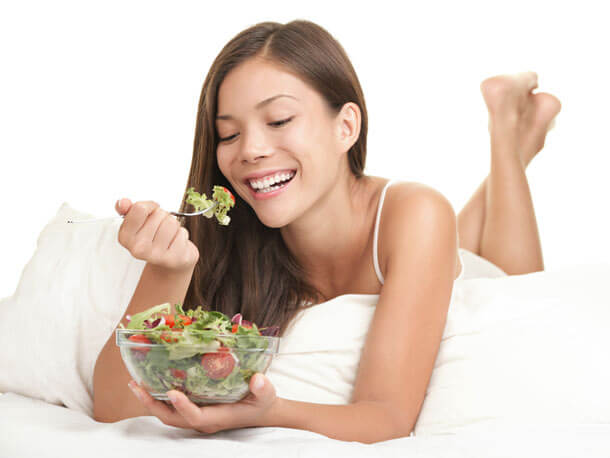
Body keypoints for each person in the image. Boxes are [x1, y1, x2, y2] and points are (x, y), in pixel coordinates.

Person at [92, 20, 561, 443]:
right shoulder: (225, 234)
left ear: (346, 127)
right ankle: (518, 140)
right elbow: (114, 407)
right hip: (428, 247)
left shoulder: (415, 212)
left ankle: (508, 135)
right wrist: (165, 271)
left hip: (460, 266)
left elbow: (389, 418)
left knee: (517, 282)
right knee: (451, 233)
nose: (251, 149)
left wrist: (266, 412)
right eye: (228, 135)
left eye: (278, 121)